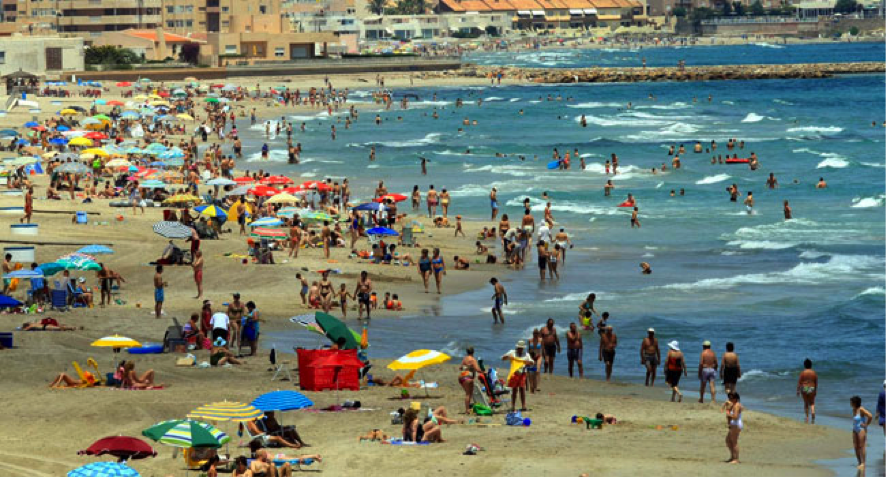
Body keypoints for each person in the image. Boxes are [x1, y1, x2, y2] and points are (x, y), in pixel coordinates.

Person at [501, 340, 532, 412]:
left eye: (521, 348)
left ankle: (523, 406)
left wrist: (528, 362)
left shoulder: (526, 354)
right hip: (514, 374)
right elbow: (503, 358)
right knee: (514, 390)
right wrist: (508, 356)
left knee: (522, 389)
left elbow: (532, 362)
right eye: (519, 348)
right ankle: (513, 406)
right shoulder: (512, 352)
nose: (520, 349)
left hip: (522, 373)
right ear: (517, 347)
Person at [851, 396, 873, 470]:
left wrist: (866, 424)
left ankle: (863, 463)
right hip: (855, 429)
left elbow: (870, 416)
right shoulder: (853, 409)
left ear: (855, 402)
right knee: (855, 446)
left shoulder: (861, 409)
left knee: (861, 446)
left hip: (861, 429)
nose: (850, 403)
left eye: (851, 402)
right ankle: (859, 462)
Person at [458, 347, 482, 414]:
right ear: (473, 352)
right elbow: (477, 369)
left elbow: (460, 368)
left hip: (461, 377)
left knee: (468, 394)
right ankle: (467, 410)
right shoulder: (472, 359)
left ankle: (468, 408)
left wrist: (466, 367)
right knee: (468, 394)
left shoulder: (465, 358)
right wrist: (483, 371)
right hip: (468, 377)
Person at [724, 392, 744, 465]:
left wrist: (729, 414)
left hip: (736, 424)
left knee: (734, 442)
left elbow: (735, 417)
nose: (730, 399)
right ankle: (732, 456)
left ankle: (736, 459)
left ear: (735, 398)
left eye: (731, 398)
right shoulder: (734, 405)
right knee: (728, 441)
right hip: (733, 424)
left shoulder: (736, 405)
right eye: (729, 398)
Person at [797, 358, 818, 424]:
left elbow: (799, 383)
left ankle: (807, 417)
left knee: (806, 403)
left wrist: (798, 390)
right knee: (812, 403)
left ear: (804, 365)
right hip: (812, 388)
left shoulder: (803, 372)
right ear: (811, 365)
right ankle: (813, 412)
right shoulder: (814, 373)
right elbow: (816, 382)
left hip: (804, 388)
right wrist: (815, 391)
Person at [527, 329, 542, 393]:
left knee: (537, 370)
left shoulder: (541, 340)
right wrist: (528, 357)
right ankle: (532, 387)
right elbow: (529, 350)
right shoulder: (530, 340)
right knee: (531, 373)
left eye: (536, 333)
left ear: (538, 334)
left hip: (539, 356)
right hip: (532, 357)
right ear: (533, 334)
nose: (535, 334)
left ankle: (538, 386)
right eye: (534, 333)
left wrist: (545, 356)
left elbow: (543, 349)